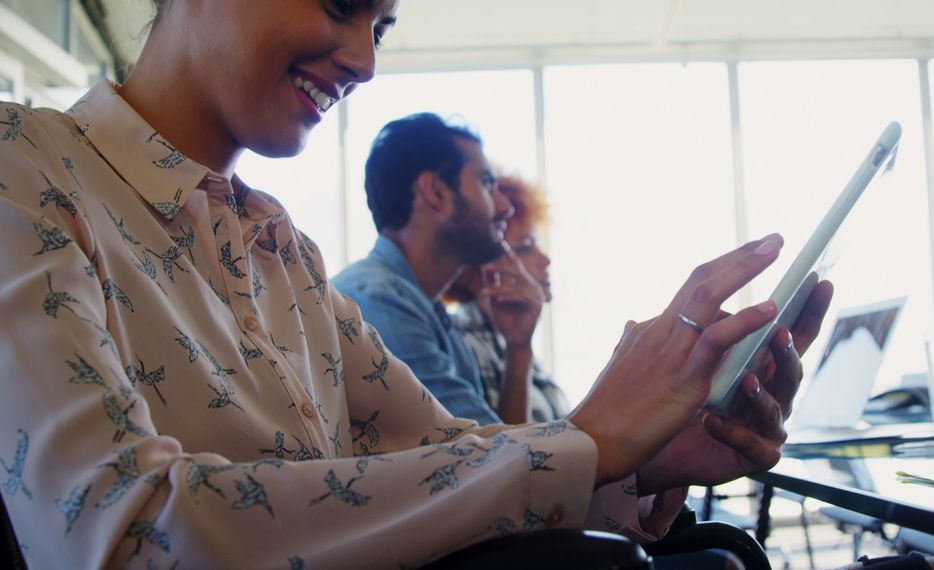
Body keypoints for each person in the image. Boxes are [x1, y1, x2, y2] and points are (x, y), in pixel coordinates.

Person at [0, 0, 832, 568]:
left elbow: (444, 455)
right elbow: (124, 534)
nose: (363, 58)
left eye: (383, 27)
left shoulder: (279, 248)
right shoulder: (24, 166)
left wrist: (643, 458)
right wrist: (589, 442)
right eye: (338, 3)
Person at [333, 116, 553, 426]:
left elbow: (504, 462)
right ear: (435, 191)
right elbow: (483, 461)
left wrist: (519, 347)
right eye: (487, 184)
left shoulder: (430, 313)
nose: (505, 206)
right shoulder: (378, 300)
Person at [442, 173, 570, 424]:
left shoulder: (505, 343)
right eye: (525, 247)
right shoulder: (468, 346)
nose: (545, 260)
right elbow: (504, 455)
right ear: (481, 267)